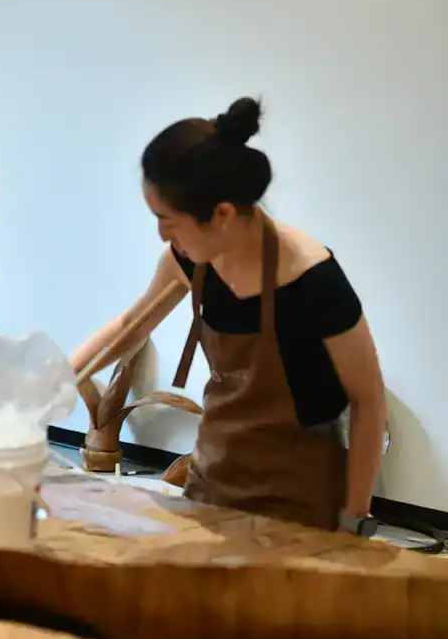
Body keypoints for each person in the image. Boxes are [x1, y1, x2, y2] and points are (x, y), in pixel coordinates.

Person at [71, 98, 388, 534]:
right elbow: (132, 326)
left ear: (221, 214)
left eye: (167, 219)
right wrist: (60, 374)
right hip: (213, 480)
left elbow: (368, 399)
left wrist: (355, 517)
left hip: (300, 498)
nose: (161, 234)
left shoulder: (313, 278)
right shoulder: (187, 260)